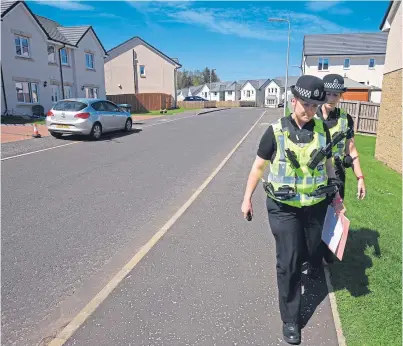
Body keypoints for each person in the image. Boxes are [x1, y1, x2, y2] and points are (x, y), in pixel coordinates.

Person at [241, 75, 345, 345]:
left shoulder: (322, 130)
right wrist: (247, 198)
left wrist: (335, 196)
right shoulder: (275, 132)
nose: (310, 110)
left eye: (314, 105)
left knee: (311, 252)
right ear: (293, 100)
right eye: (306, 104)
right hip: (283, 208)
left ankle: (308, 263)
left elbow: (329, 165)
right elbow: (257, 167)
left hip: (315, 206)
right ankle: (290, 319)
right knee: (288, 261)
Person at [315, 74, 366, 263]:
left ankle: (328, 252)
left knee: (334, 215)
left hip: (336, 176)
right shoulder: (312, 115)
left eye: (335, 94)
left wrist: (360, 177)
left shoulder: (346, 119)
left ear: (340, 96)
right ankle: (312, 257)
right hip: (313, 176)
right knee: (313, 217)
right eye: (328, 93)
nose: (331, 98)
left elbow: (351, 149)